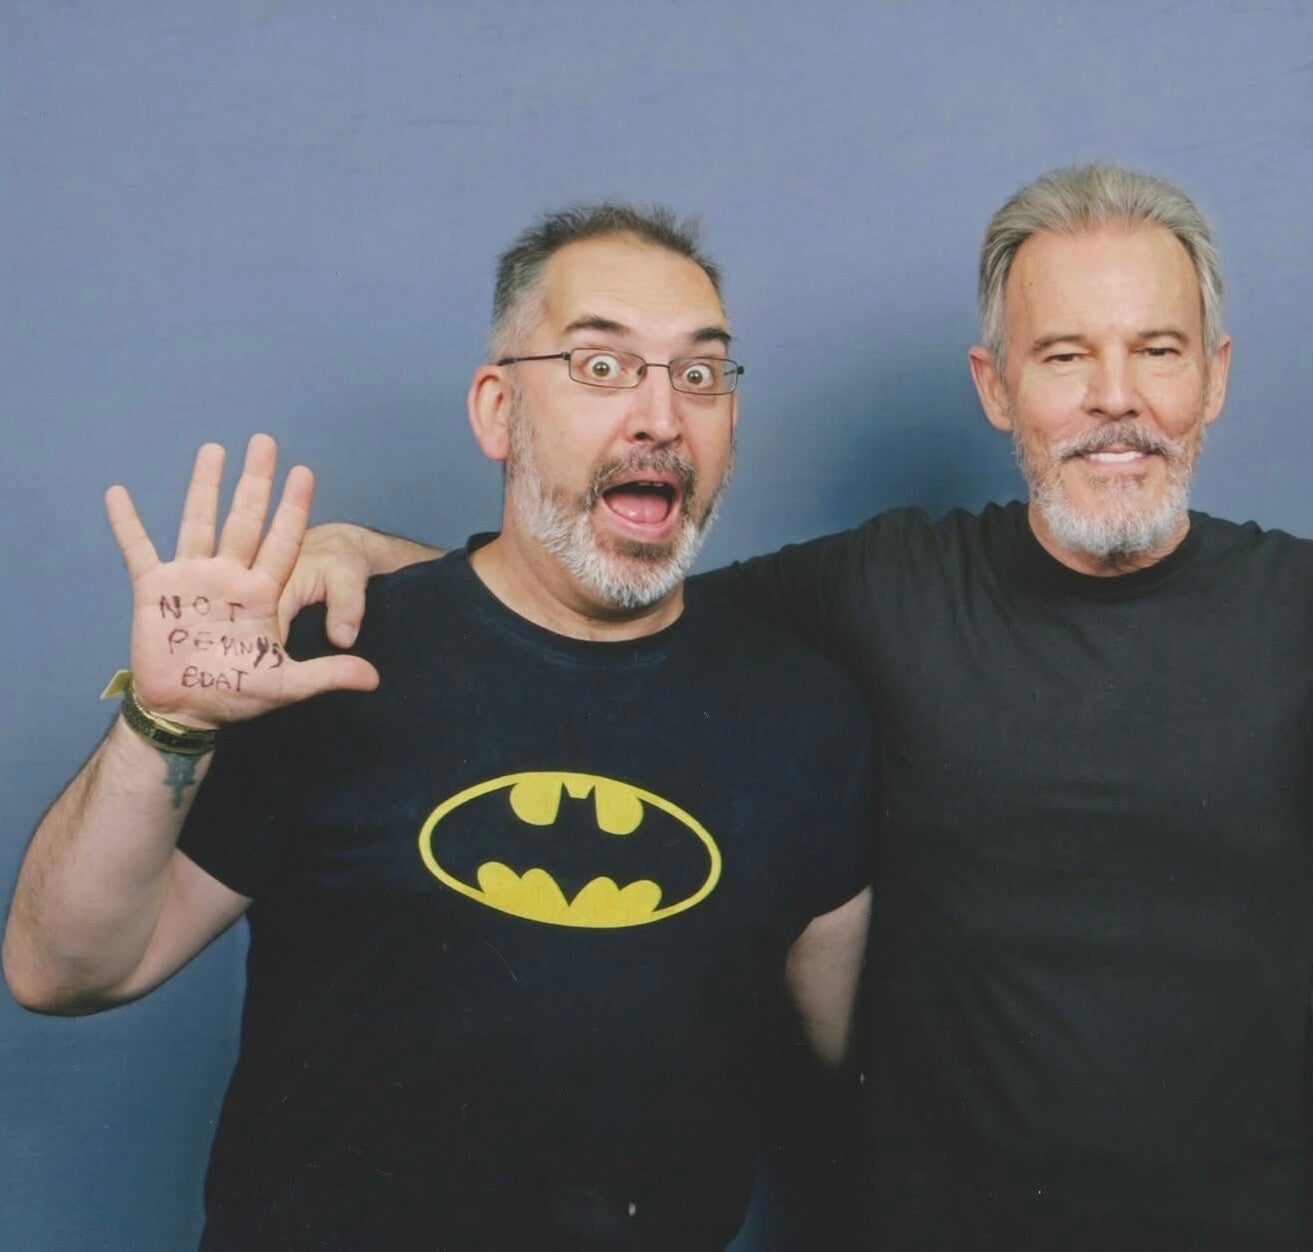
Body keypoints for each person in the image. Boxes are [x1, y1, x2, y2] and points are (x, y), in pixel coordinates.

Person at [292, 164, 1313, 1251]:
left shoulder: (1296, 611)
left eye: (1156, 350)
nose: (1115, 395)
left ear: (1212, 377)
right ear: (995, 386)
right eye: (1063, 354)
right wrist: (372, 560)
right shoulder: (886, 590)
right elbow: (605, 596)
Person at [3, 206, 876, 1251]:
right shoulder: (332, 659)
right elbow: (63, 971)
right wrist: (168, 722)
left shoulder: (803, 715)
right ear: (498, 410)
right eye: (600, 367)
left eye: (698, 374)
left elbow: (866, 1059)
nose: (660, 416)